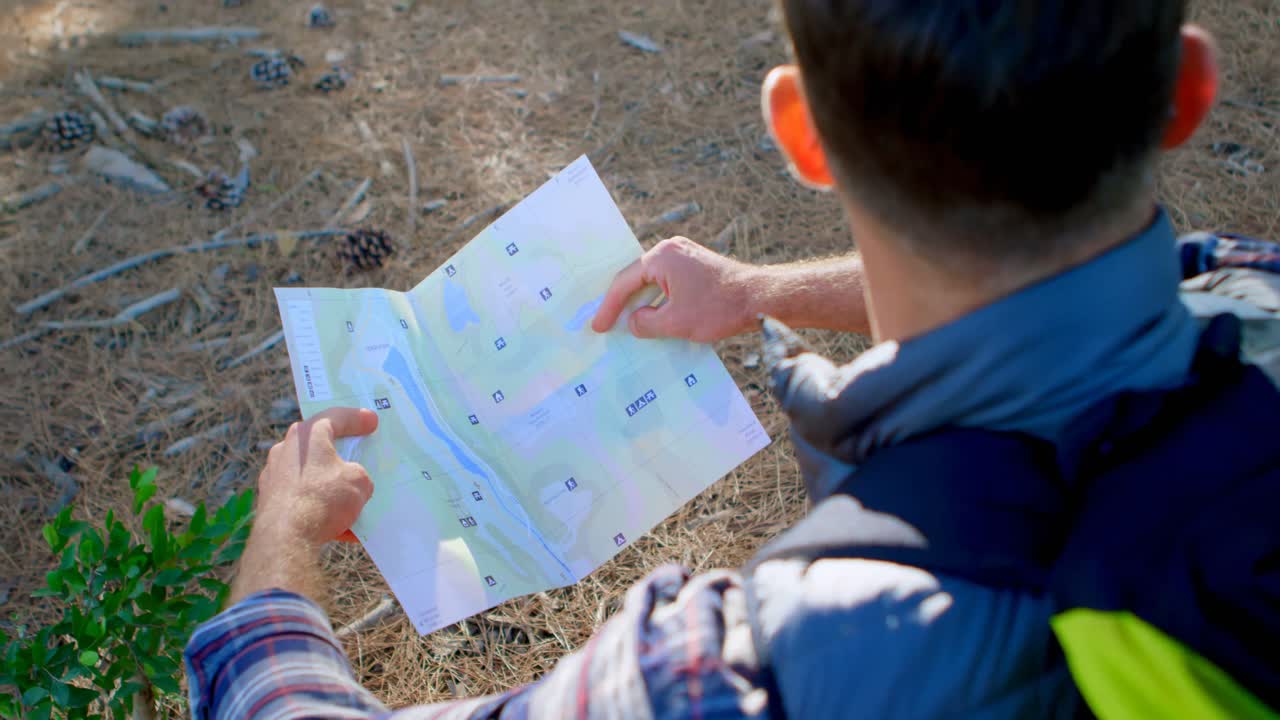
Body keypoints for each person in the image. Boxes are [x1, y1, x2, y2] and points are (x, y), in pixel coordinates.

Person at [184, 1, 1280, 718]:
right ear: (1186, 90)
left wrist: (280, 544)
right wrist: (763, 295)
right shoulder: (1254, 291)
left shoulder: (765, 668)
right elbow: (1077, 294)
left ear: (798, 133)